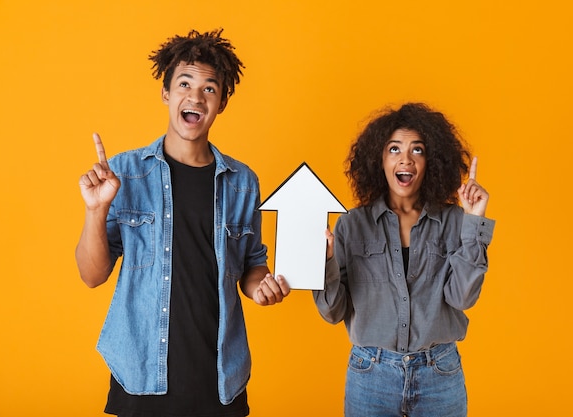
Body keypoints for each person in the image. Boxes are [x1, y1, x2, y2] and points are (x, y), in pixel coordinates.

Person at [75, 29, 290, 417]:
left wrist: (263, 289)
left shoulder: (243, 182)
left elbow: (251, 265)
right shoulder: (124, 173)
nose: (195, 96)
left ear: (222, 102)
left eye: (210, 88)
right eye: (185, 83)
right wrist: (96, 211)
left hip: (220, 378)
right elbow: (92, 275)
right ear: (166, 93)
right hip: (142, 374)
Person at [313, 102, 495, 417]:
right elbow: (333, 311)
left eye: (418, 150)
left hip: (440, 373)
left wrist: (474, 221)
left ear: (432, 161)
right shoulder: (351, 224)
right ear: (379, 160)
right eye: (394, 149)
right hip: (370, 374)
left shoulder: (455, 220)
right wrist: (324, 261)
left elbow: (462, 297)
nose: (406, 159)